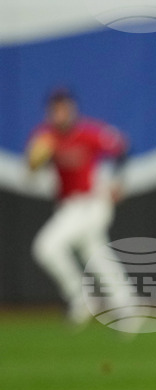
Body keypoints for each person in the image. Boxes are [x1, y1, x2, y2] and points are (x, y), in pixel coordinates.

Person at [25, 88, 130, 326]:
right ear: (49, 112)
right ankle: (126, 305)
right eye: (56, 109)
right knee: (96, 255)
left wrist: (117, 181)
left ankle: (80, 296)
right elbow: (31, 170)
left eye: (64, 108)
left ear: (72, 109)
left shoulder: (88, 132)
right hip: (68, 206)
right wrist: (35, 160)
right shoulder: (45, 137)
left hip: (92, 202)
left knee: (46, 247)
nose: (60, 113)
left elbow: (121, 147)